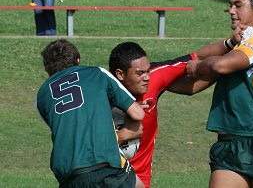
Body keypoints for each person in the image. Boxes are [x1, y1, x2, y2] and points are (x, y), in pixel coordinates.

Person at [186, 0, 253, 187]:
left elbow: (218, 66)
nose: (231, 10)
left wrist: (198, 66)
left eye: (238, 5)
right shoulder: (236, 47)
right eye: (231, 5)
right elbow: (193, 86)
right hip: (227, 142)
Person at [108, 41, 227, 187]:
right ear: (120, 74)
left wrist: (231, 46)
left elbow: (196, 57)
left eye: (147, 71)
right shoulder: (99, 95)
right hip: (105, 176)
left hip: (140, 178)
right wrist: (124, 111)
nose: (147, 77)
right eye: (140, 73)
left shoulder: (155, 76)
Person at [36, 39, 145, 187]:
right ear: (78, 60)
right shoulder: (96, 72)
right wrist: (125, 133)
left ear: (47, 69)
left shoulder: (42, 95)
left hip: (68, 173)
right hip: (104, 164)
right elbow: (138, 114)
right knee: (138, 185)